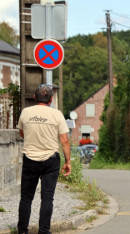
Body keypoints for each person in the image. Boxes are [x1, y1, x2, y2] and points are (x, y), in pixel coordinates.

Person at [17, 84, 71, 234]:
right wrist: (67, 162)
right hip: (50, 160)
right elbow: (64, 140)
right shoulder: (57, 114)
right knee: (47, 198)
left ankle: (22, 230)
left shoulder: (26, 112)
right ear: (51, 99)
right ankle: (44, 231)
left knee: (26, 197)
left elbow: (22, 133)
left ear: (34, 97)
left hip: (30, 158)